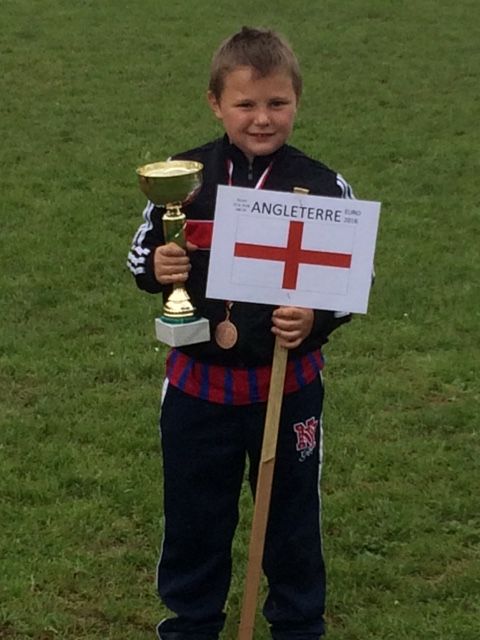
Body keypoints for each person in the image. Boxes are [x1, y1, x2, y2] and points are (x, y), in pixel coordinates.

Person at [128, 26, 355, 640]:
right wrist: (157, 266)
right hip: (197, 387)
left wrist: (314, 319)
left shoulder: (324, 186)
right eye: (245, 104)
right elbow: (139, 256)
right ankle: (191, 623)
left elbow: (348, 285)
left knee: (290, 519)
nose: (261, 119)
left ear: (297, 101)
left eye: (277, 103)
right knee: (194, 516)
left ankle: (298, 624)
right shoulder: (183, 177)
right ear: (215, 103)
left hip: (287, 388)